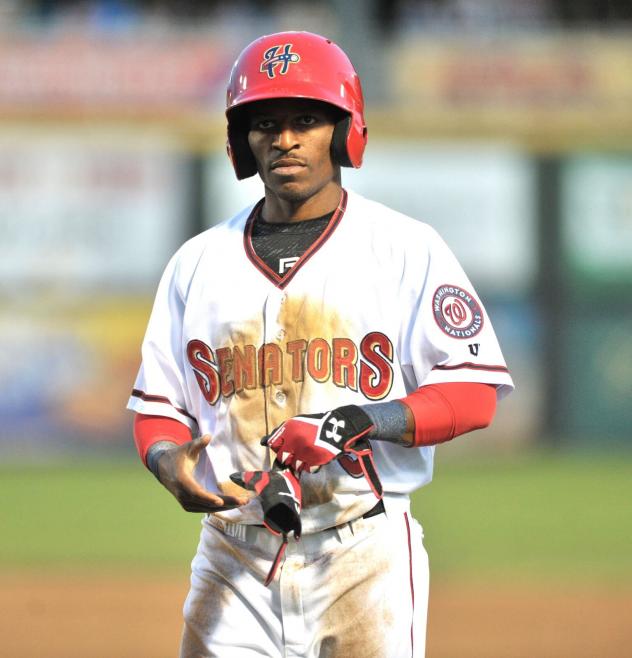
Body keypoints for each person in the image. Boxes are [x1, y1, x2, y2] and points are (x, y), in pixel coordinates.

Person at [127, 31, 514, 658]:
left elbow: (473, 393)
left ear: (343, 131)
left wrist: (359, 420)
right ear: (242, 141)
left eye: (306, 120)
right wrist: (169, 463)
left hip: (361, 552)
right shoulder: (196, 263)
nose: (284, 140)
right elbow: (158, 407)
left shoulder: (403, 248)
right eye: (265, 123)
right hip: (232, 554)